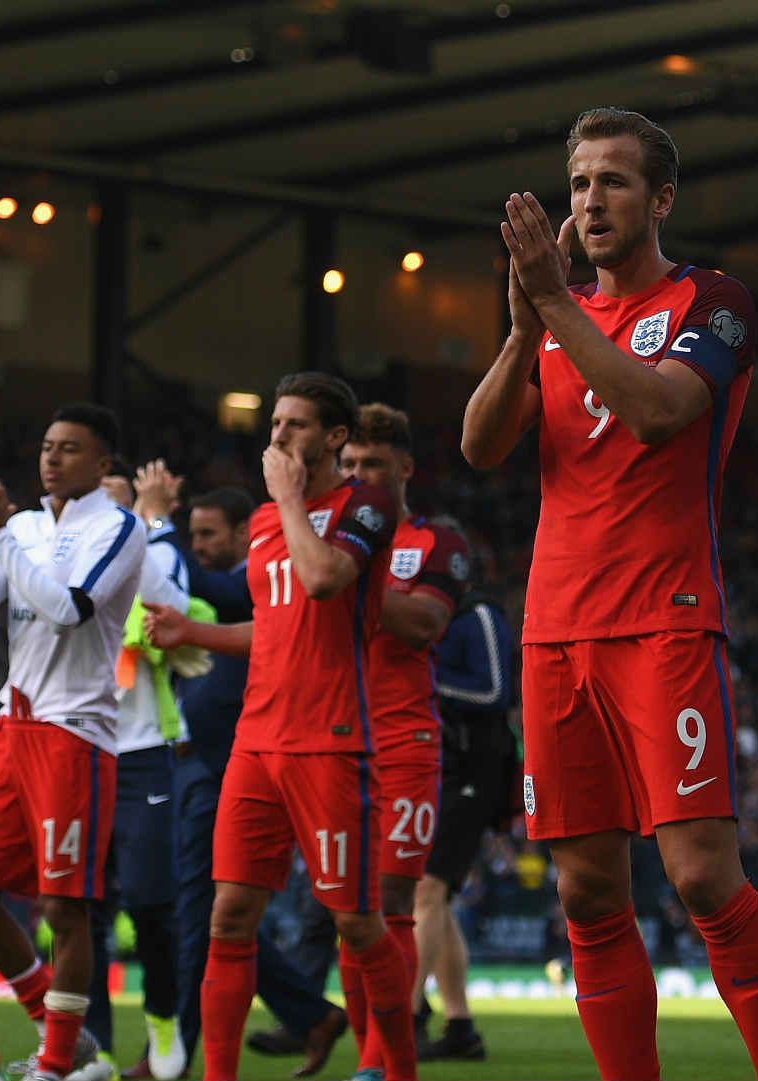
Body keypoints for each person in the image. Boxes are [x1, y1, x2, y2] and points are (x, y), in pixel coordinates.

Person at [461, 105, 758, 1081]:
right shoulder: (554, 319)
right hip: (554, 632)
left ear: (660, 197)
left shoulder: (715, 299)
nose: (590, 200)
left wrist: (556, 308)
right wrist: (524, 326)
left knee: (701, 876)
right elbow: (482, 446)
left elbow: (659, 413)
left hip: (664, 622)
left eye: (612, 181)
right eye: (578, 183)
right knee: (586, 895)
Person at [143, 373, 413, 1081]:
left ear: (334, 438)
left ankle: (400, 1068)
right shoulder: (264, 524)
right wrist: (192, 629)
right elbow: (275, 625)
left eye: (294, 425)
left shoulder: (367, 504)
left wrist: (290, 498)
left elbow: (324, 579)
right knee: (228, 916)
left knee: (357, 923)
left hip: (330, 743)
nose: (278, 437)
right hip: (256, 745)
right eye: (273, 424)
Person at [0, 404, 146, 1081]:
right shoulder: (26, 526)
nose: (52, 458)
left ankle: (55, 1065)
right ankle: (68, 1036)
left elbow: (68, 609)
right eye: (47, 445)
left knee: (64, 906)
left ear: (103, 464)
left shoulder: (119, 528)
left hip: (74, 733)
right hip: (13, 728)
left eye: (69, 448)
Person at [131, 474, 349, 1078]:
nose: (198, 547)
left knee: (204, 913)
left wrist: (159, 523)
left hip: (234, 763)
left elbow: (204, 584)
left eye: (208, 535)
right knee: (213, 914)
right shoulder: (220, 595)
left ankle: (171, 1056)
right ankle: (310, 1014)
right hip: (197, 761)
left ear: (241, 536)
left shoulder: (250, 584)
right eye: (192, 534)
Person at [334, 402, 473, 1081]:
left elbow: (422, 623)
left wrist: (346, 585)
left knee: (390, 903)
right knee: (346, 909)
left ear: (406, 469)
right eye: (351, 464)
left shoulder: (437, 543)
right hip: (335, 740)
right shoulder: (318, 537)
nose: (361, 476)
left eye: (375, 465)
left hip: (405, 739)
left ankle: (373, 1063)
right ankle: (377, 1054)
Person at [77, 463, 192, 1080]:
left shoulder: (151, 558)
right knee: (81, 909)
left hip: (143, 753)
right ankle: (90, 1044)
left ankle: (162, 1021)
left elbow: (169, 602)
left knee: (150, 903)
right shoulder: (72, 568)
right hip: (80, 750)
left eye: (122, 506)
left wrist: (154, 520)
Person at [415, 564, 516, 1060]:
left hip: (476, 767)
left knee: (427, 887)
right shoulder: (433, 618)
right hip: (442, 765)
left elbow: (496, 691)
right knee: (435, 893)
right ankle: (460, 1028)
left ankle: (408, 1016)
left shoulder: (477, 615)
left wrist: (424, 682)